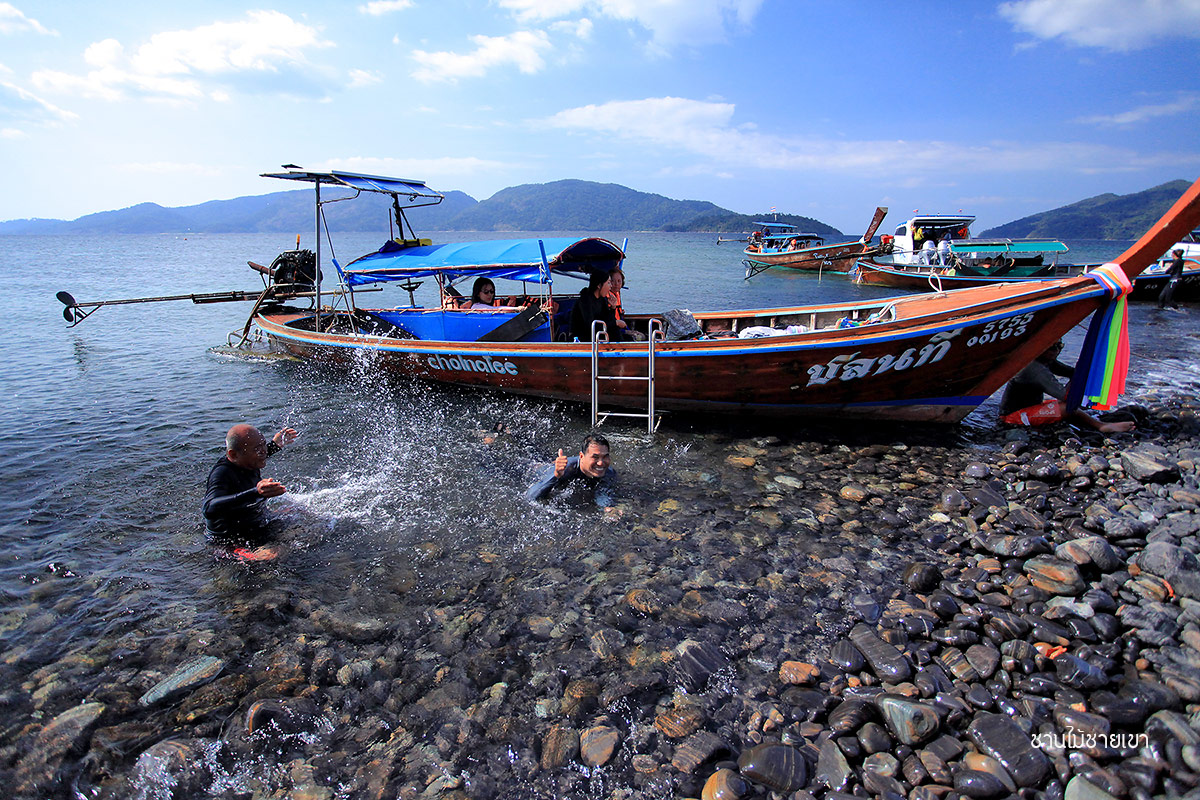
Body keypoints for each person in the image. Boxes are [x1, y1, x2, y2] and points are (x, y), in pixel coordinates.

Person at [203, 424, 298, 560]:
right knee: (273, 556)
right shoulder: (222, 473)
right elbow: (209, 508)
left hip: (254, 523)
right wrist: (256, 492)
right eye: (257, 449)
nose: (263, 452)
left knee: (300, 518)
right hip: (228, 540)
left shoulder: (248, 460)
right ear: (233, 454)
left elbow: (258, 454)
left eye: (263, 444)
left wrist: (275, 445)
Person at [999, 342, 1135, 434]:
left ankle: (1094, 420)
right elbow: (1066, 397)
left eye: (1060, 346)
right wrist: (1078, 378)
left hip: (1032, 407)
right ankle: (1101, 426)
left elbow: (1073, 373)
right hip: (1012, 417)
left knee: (1071, 404)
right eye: (1052, 347)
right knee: (1068, 408)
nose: (1057, 351)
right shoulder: (1034, 368)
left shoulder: (1046, 361)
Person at [527, 434, 617, 511]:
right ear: (581, 456)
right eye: (595, 457)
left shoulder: (609, 473)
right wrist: (556, 475)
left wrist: (607, 508)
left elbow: (604, 492)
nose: (601, 463)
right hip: (534, 467)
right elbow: (531, 496)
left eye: (605, 456)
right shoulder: (567, 469)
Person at [569, 270, 621, 342]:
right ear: (599, 285)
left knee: (619, 333)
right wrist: (615, 323)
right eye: (608, 283)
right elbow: (590, 325)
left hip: (596, 335)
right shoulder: (585, 300)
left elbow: (608, 319)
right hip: (583, 337)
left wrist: (613, 307)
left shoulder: (601, 300)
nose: (611, 286)